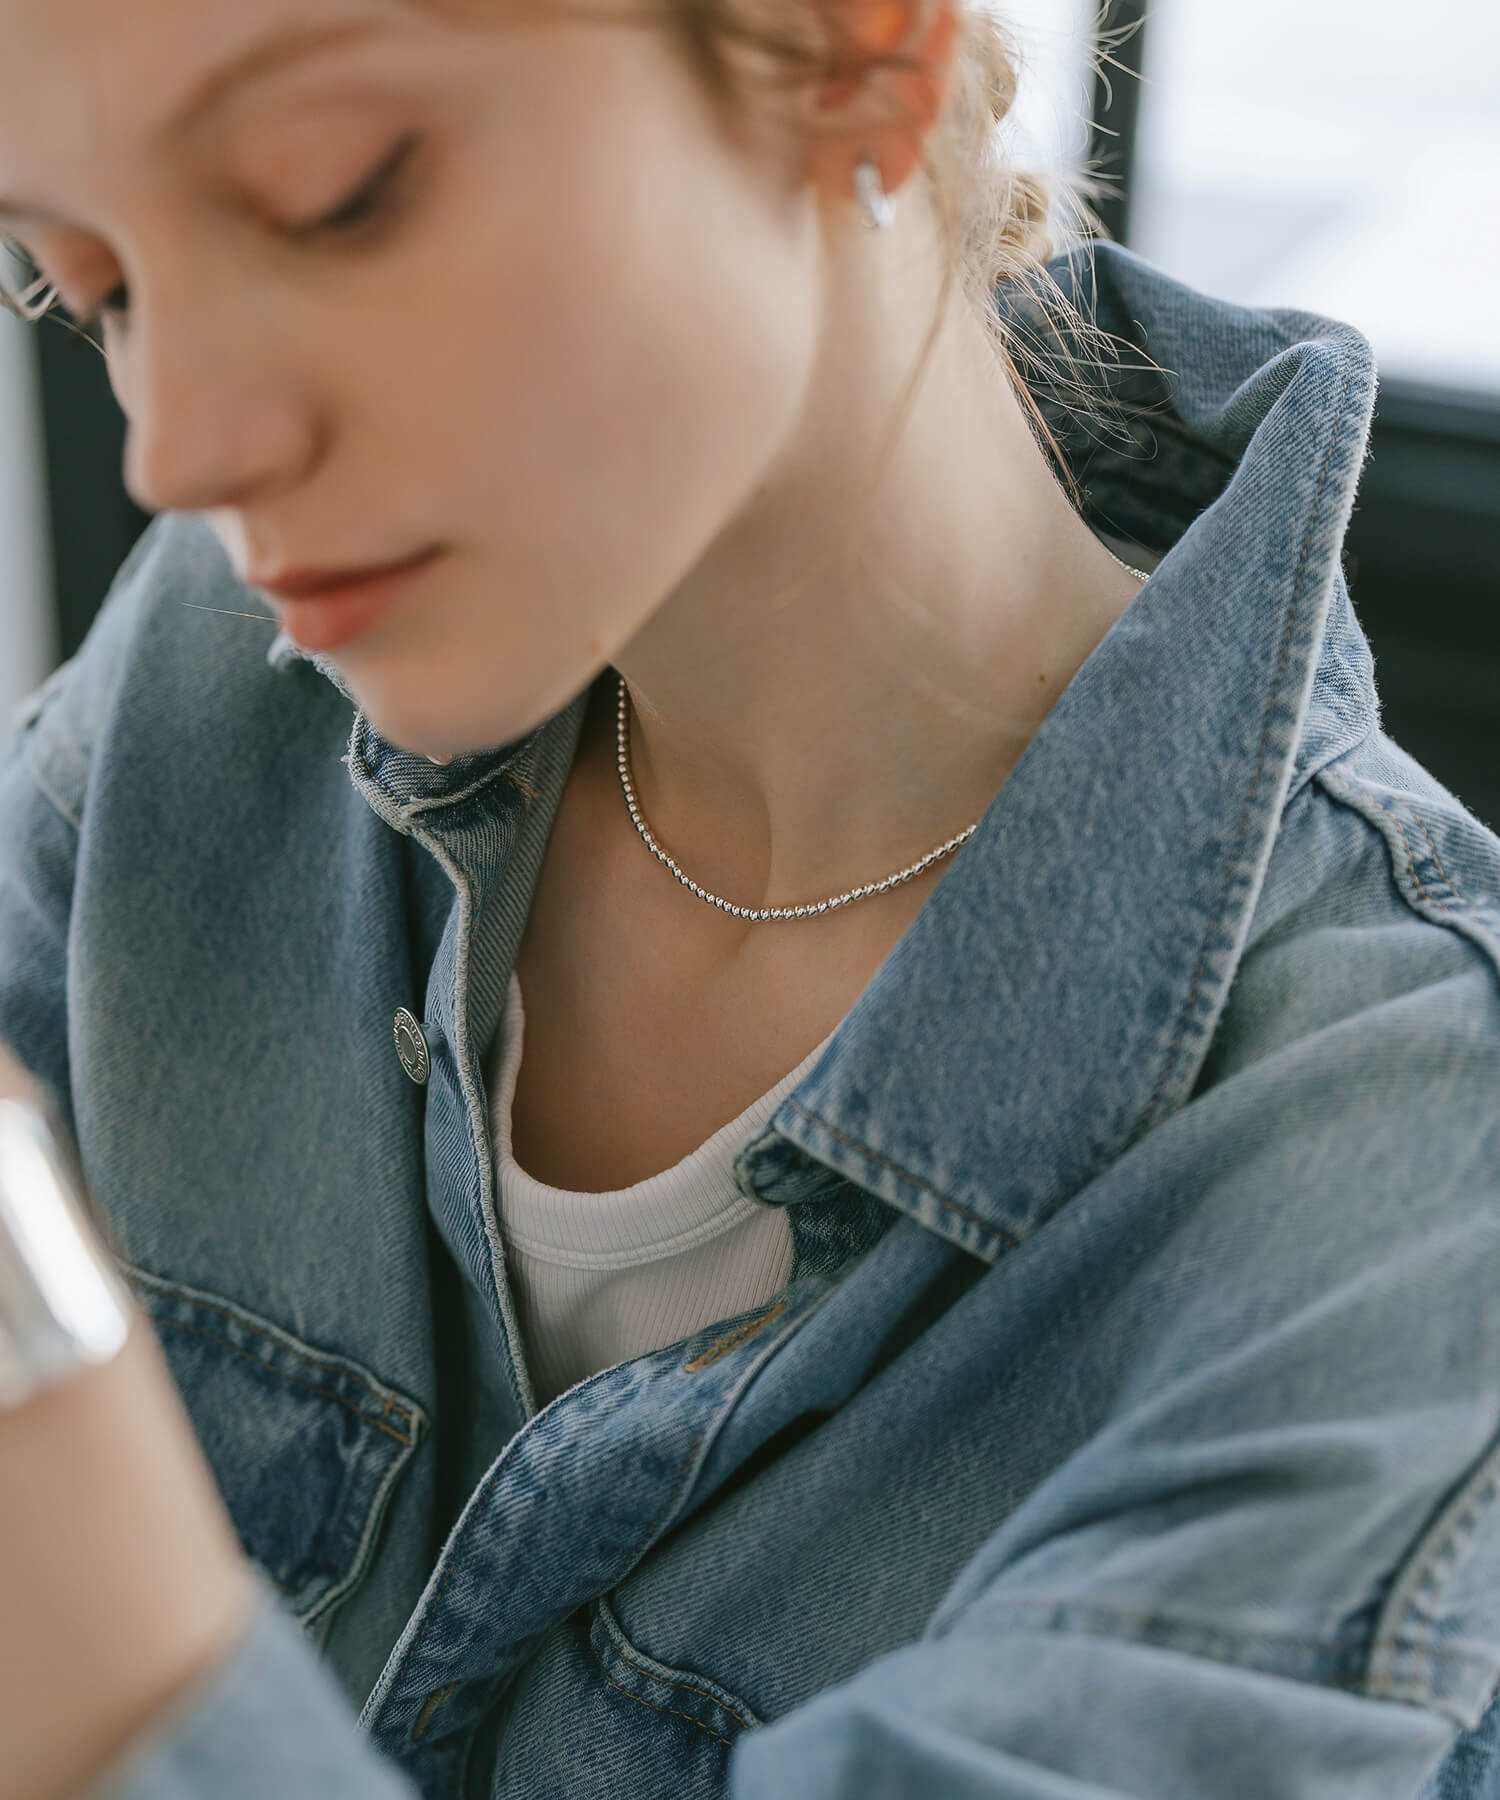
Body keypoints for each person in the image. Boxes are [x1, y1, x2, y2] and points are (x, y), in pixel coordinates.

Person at [0, 0, 1497, 1794]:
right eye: (96, 292)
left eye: (337, 198)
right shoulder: (207, 678)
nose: (178, 449)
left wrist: (123, 1671)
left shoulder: (1403, 1167)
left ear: (854, 58)